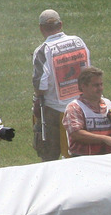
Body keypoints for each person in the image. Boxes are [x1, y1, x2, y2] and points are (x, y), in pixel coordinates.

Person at [32, 9, 90, 161]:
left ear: (41, 28)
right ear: (61, 24)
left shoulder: (43, 50)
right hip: (81, 107)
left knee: (49, 158)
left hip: (54, 110)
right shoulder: (78, 42)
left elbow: (41, 86)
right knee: (80, 154)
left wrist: (37, 99)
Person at [63, 67, 111, 156]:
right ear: (83, 86)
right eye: (95, 85)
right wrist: (104, 139)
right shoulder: (75, 107)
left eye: (101, 84)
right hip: (84, 158)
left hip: (109, 157)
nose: (100, 88)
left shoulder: (109, 104)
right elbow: (76, 134)